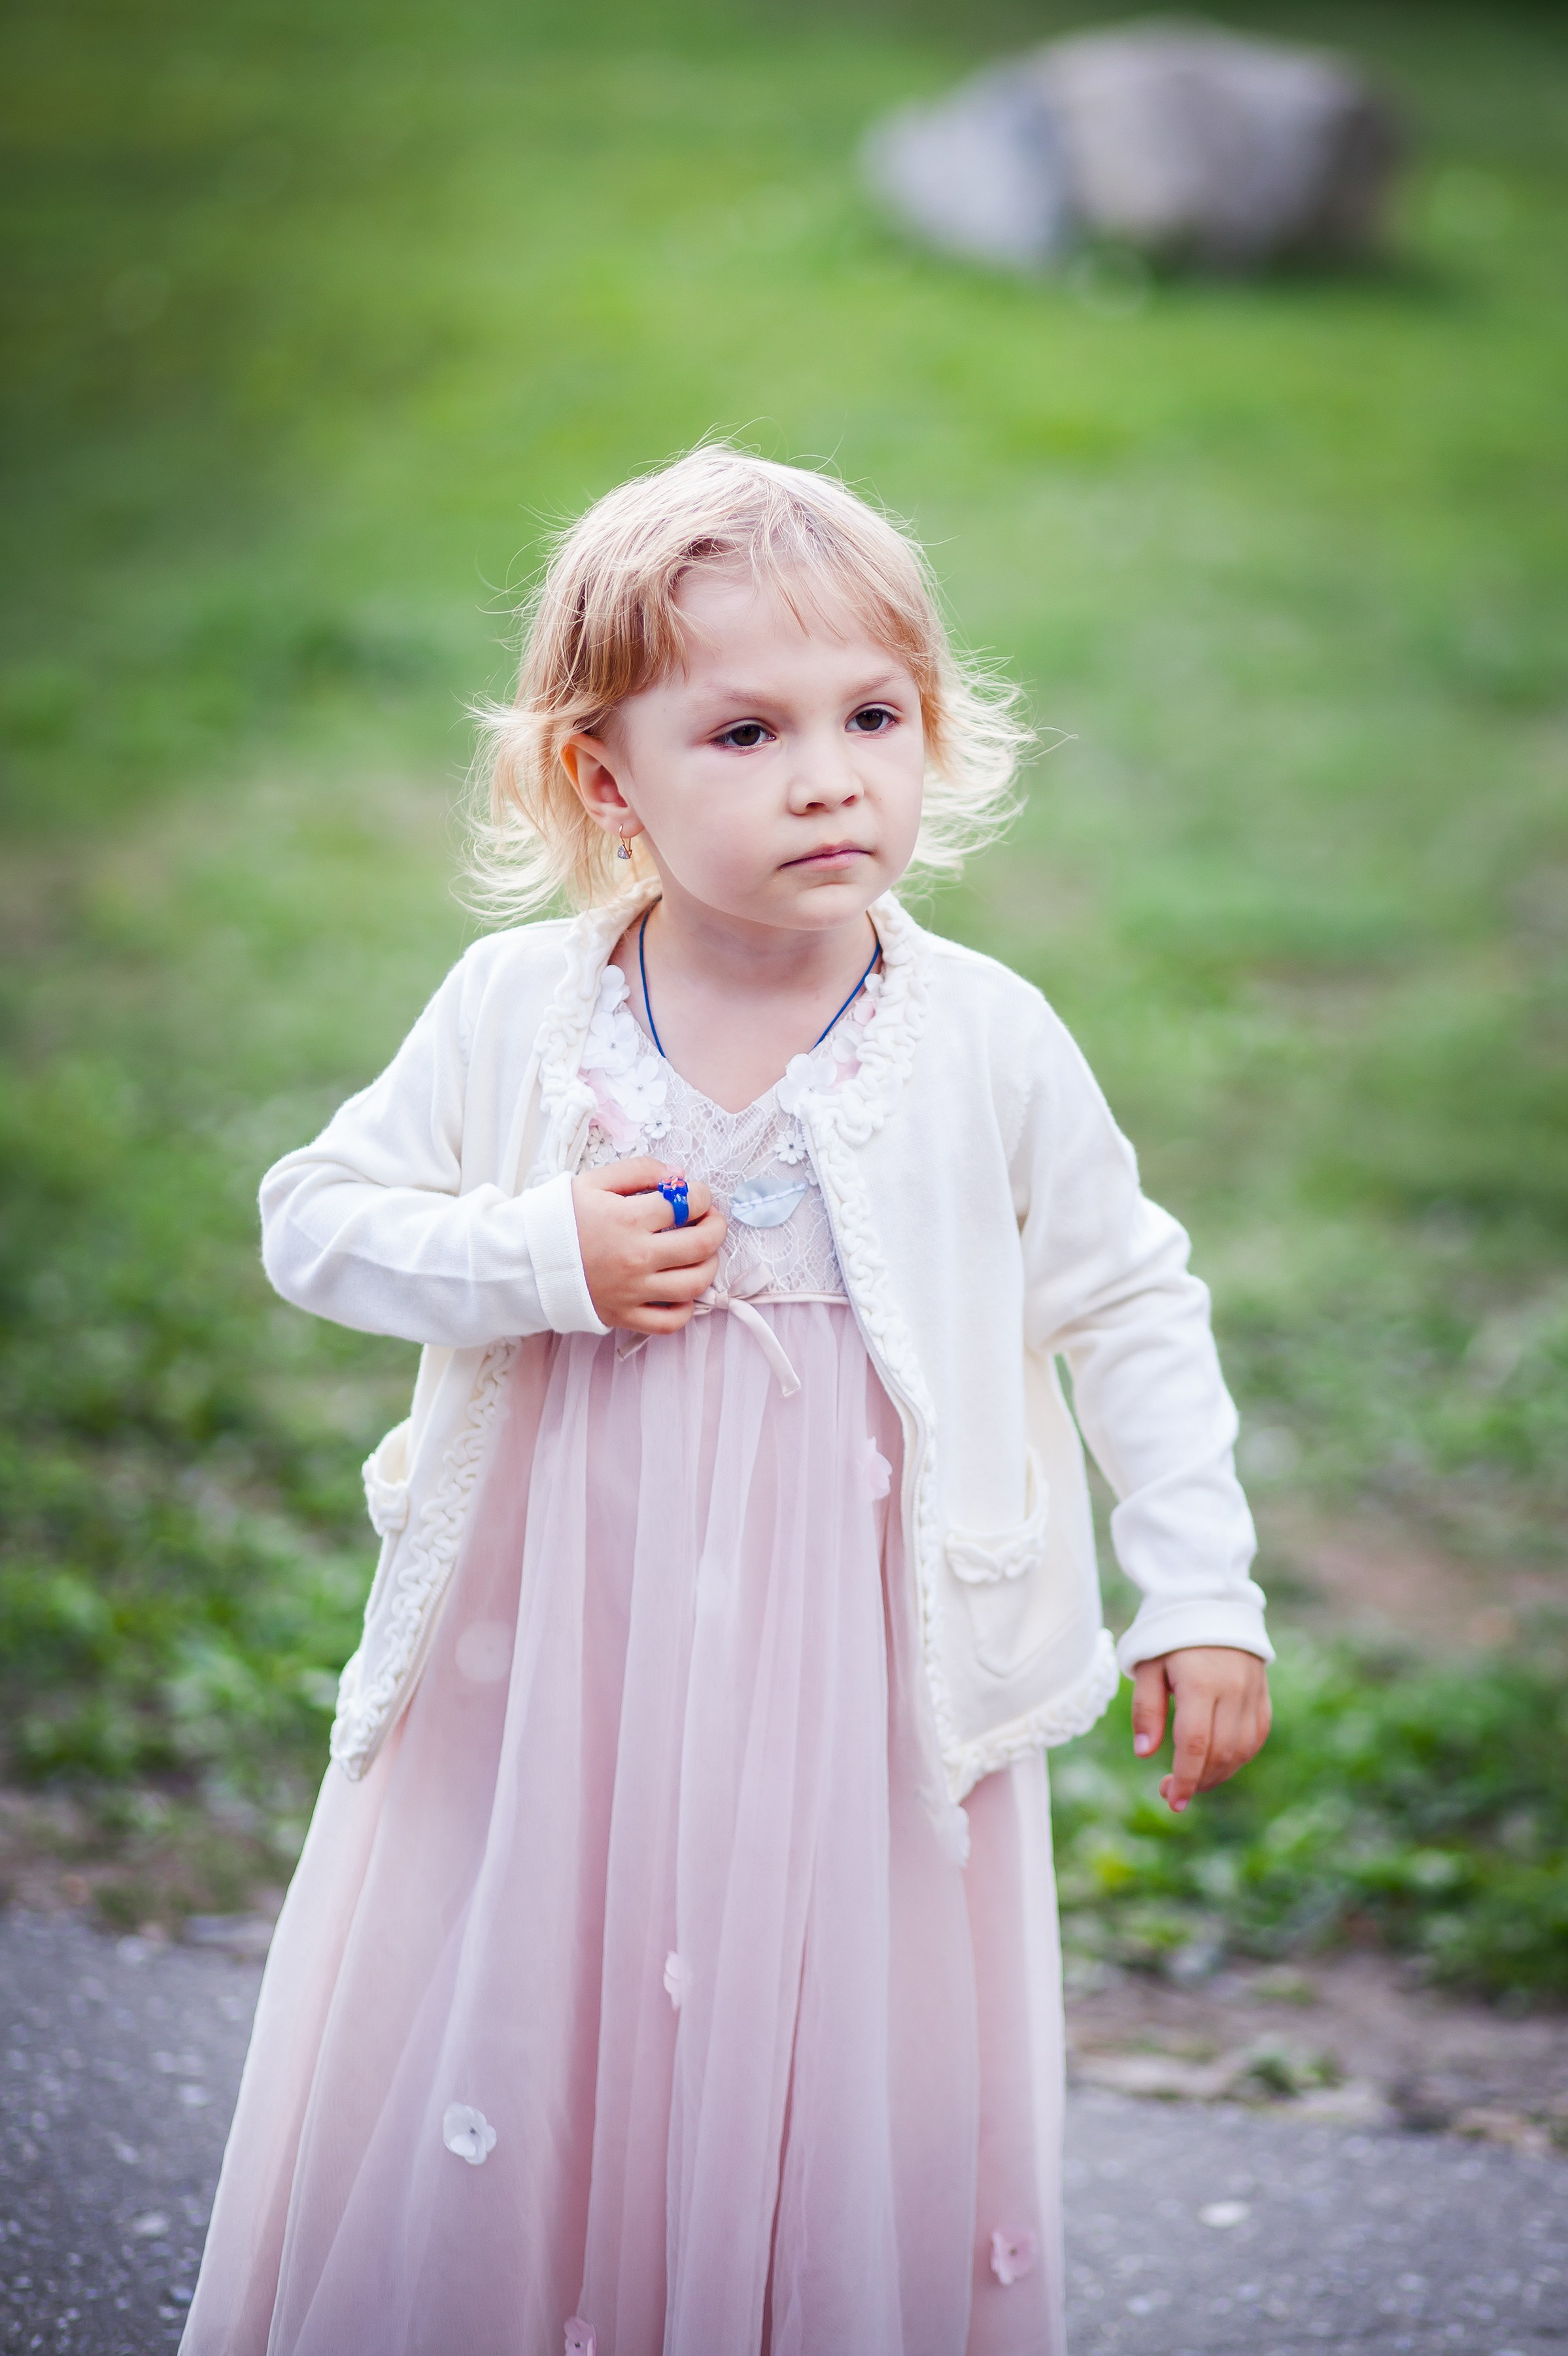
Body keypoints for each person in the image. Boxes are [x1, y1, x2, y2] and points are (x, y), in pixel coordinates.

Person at [181, 445, 1271, 2356]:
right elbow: (315, 1221)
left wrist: (1198, 1588)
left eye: (874, 714)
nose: (831, 772)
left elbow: (1130, 1296)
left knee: (829, 2037)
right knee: (538, 2017)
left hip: (856, 1687)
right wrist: (542, 1255)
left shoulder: (986, 1040)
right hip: (564, 1682)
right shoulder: (524, 1012)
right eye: (747, 729)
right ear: (608, 779)